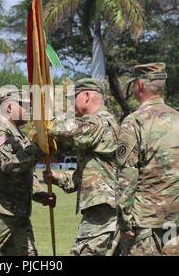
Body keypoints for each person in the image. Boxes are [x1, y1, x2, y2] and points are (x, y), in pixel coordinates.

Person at [116, 63, 179, 256]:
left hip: (145, 223)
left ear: (140, 86)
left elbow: (126, 176)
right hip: (174, 221)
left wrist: (124, 221)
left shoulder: (134, 122)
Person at [0, 88, 55, 256]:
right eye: (23, 105)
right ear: (9, 108)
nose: (28, 109)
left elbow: (26, 172)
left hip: (17, 214)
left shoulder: (19, 135)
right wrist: (39, 150)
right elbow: (11, 165)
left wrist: (40, 194)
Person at [43, 79, 119, 256]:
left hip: (104, 212)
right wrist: (55, 177)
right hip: (101, 211)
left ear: (86, 96)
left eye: (72, 99)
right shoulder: (92, 127)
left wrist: (45, 123)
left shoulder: (101, 121)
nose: (70, 106)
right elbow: (78, 180)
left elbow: (70, 129)